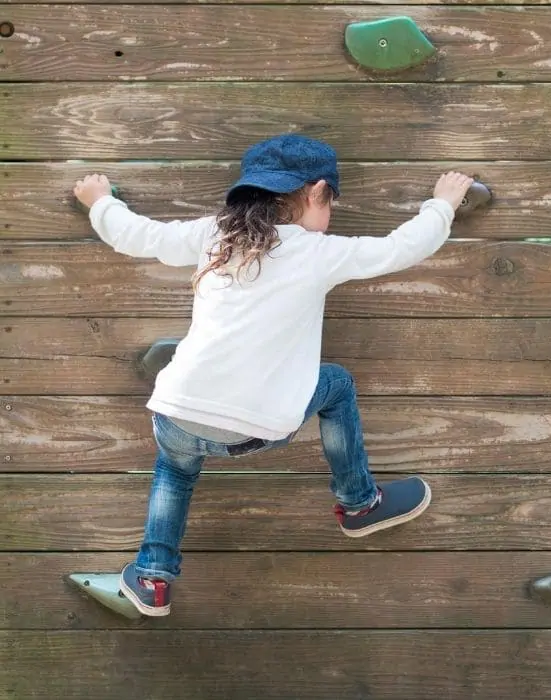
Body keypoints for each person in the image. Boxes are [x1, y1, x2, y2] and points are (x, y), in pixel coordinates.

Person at [72, 133, 474, 617]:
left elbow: (140, 236)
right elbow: (400, 248)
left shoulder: (213, 235)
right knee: (338, 384)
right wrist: (443, 203)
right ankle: (360, 503)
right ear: (317, 192)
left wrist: (99, 201)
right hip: (258, 427)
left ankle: (154, 578)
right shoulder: (318, 252)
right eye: (332, 205)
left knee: (174, 472)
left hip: (179, 413)